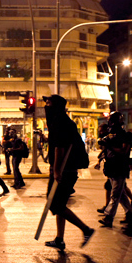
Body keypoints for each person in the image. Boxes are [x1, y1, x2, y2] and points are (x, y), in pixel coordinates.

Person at [41, 95, 95, 250]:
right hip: (66, 170)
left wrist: (57, 170)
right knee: (60, 204)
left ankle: (86, 229)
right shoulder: (62, 121)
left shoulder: (61, 122)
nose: (46, 105)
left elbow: (60, 148)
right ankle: (59, 239)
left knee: (55, 204)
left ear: (56, 105)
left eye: (49, 103)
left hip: (64, 170)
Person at [98, 112, 132, 227]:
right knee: (121, 195)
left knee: (115, 195)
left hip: (120, 167)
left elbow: (123, 151)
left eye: (112, 120)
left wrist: (110, 145)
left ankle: (109, 217)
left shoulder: (125, 135)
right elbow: (106, 150)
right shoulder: (110, 135)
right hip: (111, 167)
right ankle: (130, 214)